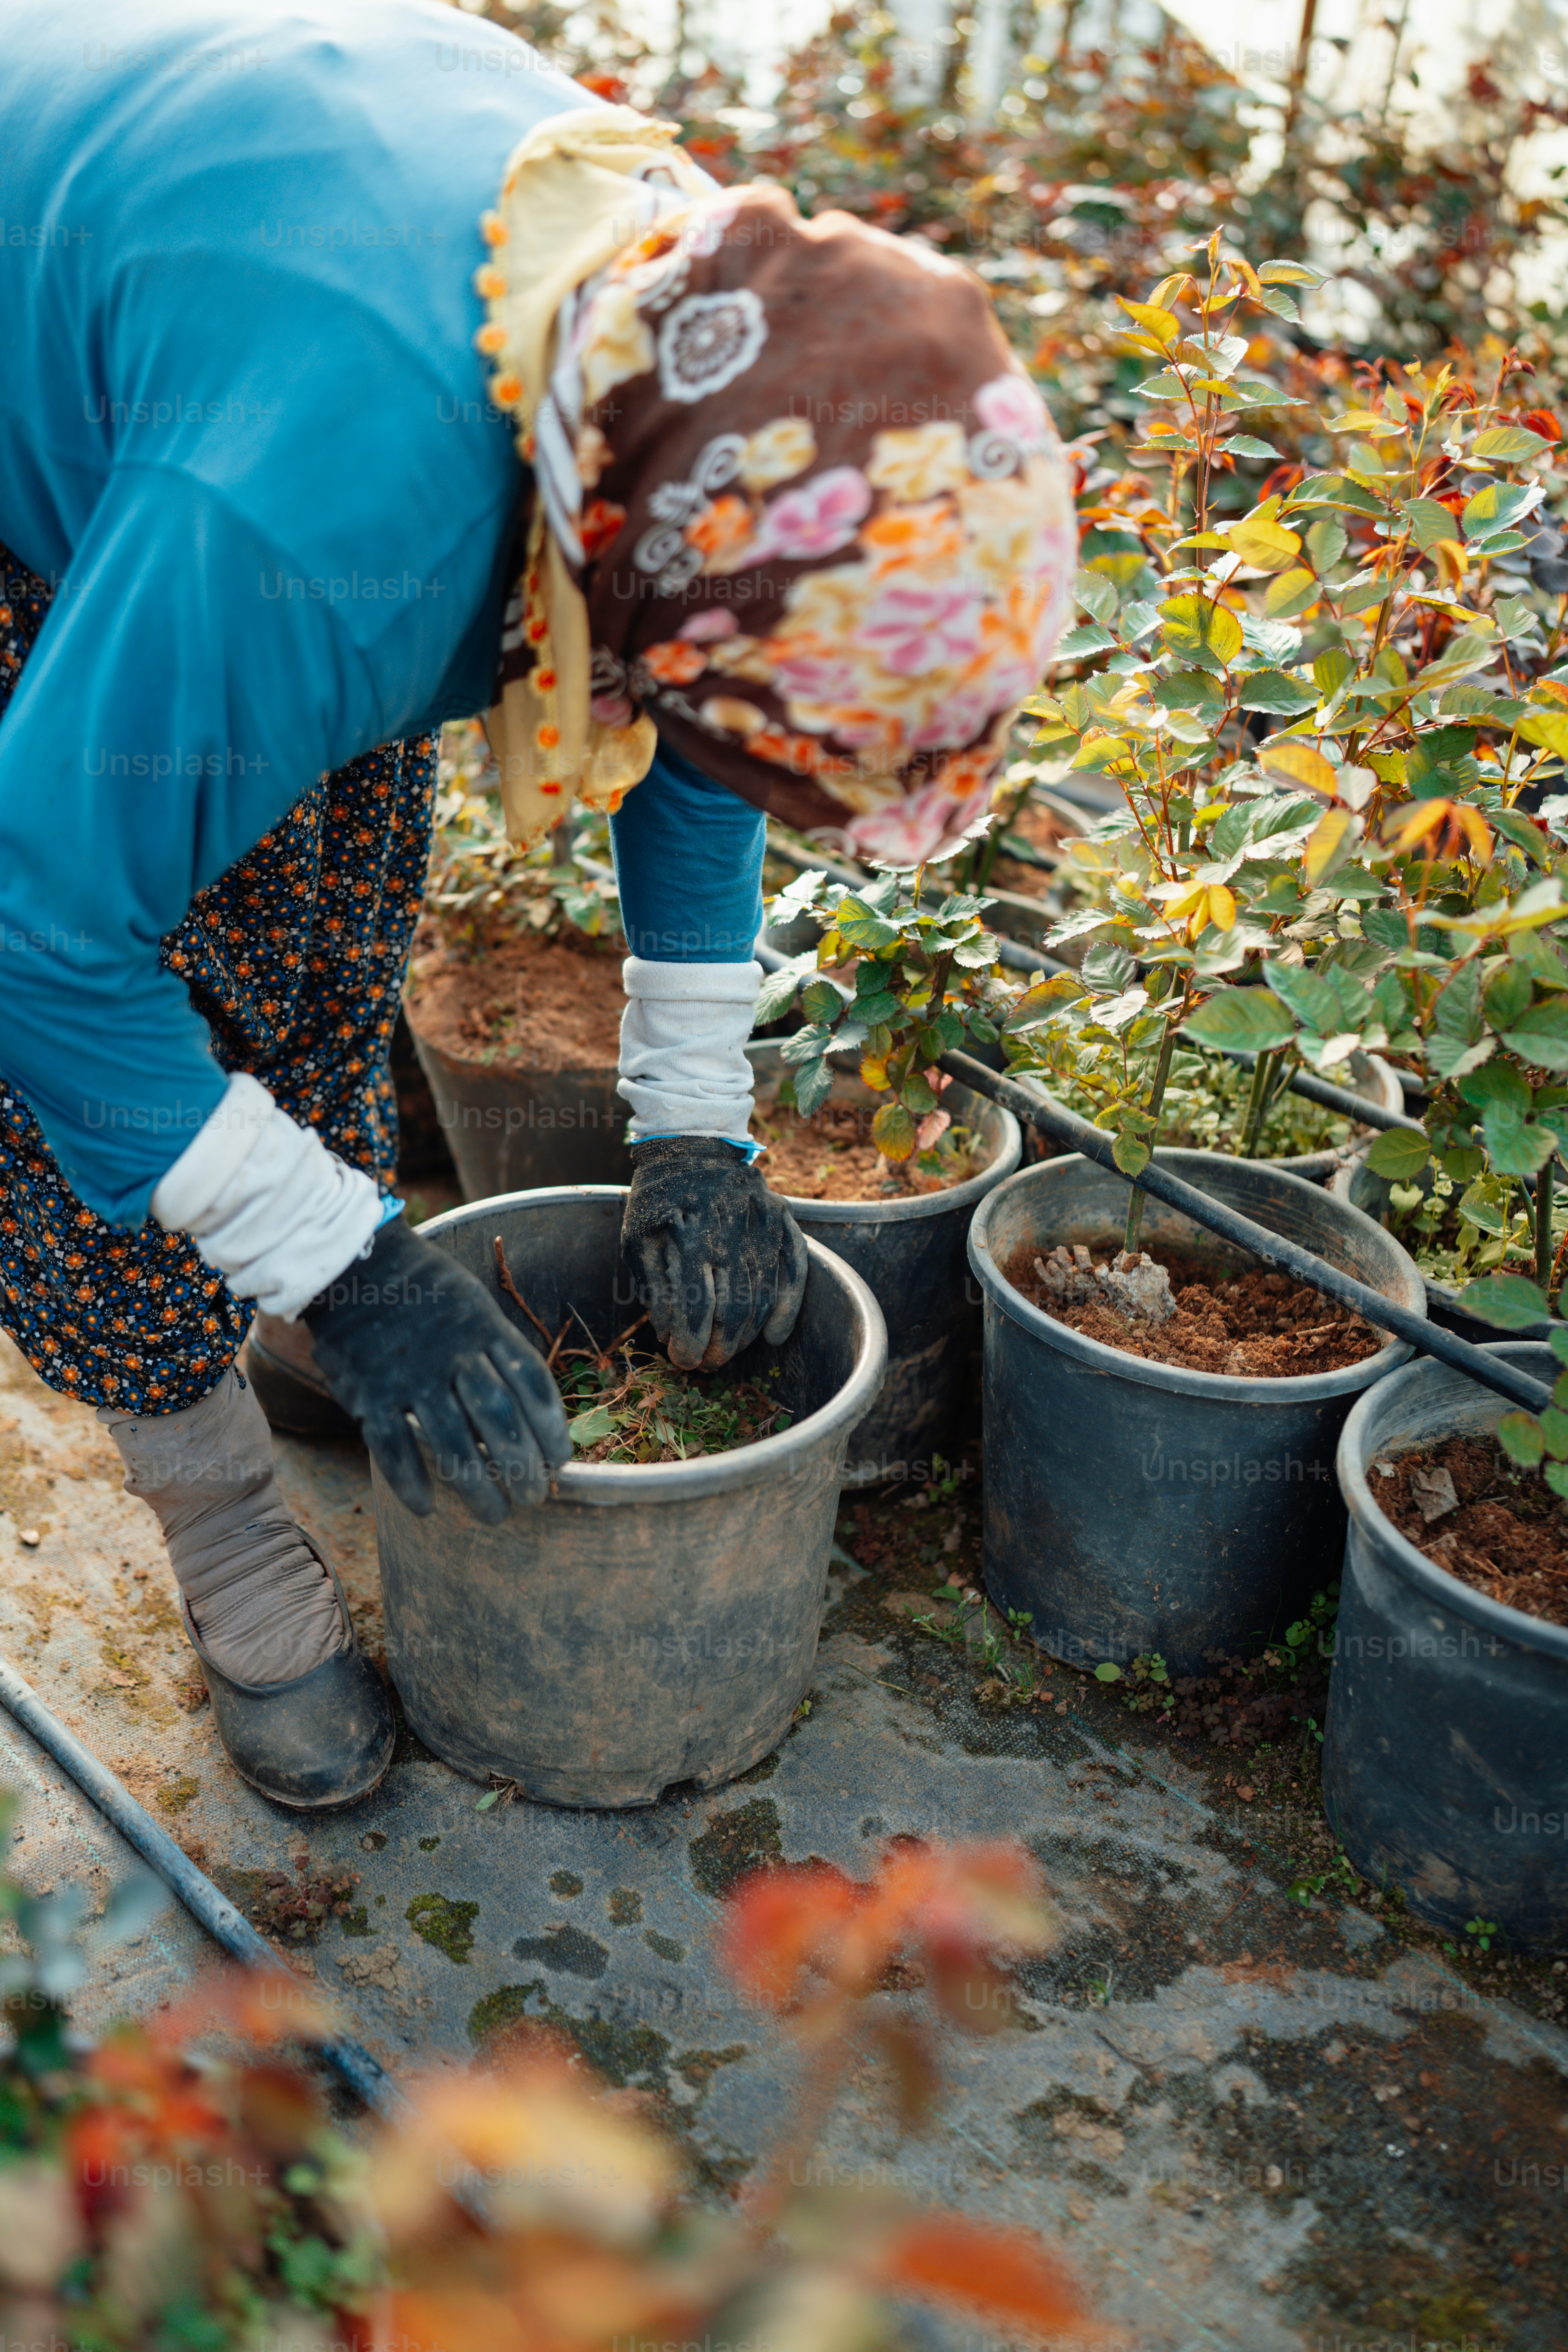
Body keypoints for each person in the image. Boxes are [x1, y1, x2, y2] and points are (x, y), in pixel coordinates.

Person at [0, 0, 1074, 1809]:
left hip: (257, 335)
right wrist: (361, 1278)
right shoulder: (300, 520)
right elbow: (35, 942)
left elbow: (697, 724)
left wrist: (696, 1130)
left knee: (326, 923)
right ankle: (222, 1520)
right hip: (114, 414)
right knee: (100, 1036)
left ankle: (279, 1280)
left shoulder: (707, 359)